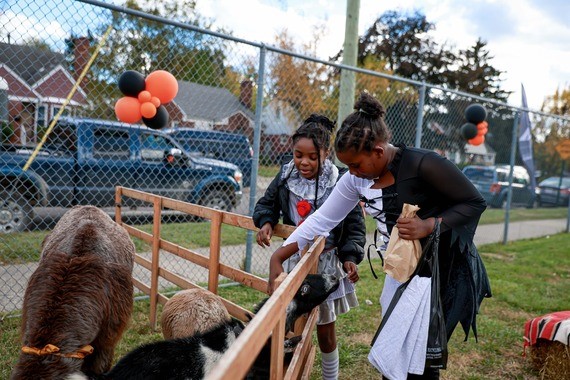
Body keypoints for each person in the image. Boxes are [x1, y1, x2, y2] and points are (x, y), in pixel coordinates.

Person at [268, 92, 492, 379]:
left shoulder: (424, 164)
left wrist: (430, 225)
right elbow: (322, 219)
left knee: (421, 358)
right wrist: (280, 254)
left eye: (356, 165)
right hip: (402, 271)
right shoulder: (356, 179)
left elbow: (474, 202)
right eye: (347, 166)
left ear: (378, 150)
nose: (351, 173)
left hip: (443, 271)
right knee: (396, 351)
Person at [253, 114, 366, 380]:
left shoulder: (339, 181)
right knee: (289, 324)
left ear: (326, 154)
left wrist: (350, 255)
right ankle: (287, 373)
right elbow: (266, 203)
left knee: (325, 330)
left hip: (324, 264)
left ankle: (330, 377)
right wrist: (267, 221)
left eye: (312, 157)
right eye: (298, 154)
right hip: (292, 261)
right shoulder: (285, 176)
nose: (304, 162)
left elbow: (354, 225)